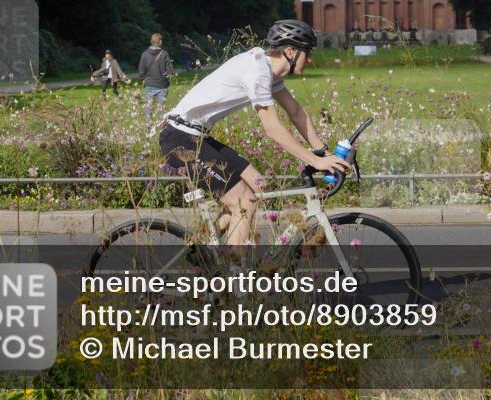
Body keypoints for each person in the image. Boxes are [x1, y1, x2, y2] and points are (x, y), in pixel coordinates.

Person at [158, 20, 350, 247]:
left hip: (196, 136)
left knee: (258, 185)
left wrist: (322, 151)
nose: (309, 59)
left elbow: (296, 112)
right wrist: (315, 161)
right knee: (244, 202)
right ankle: (235, 276)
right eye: (307, 53)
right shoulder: (257, 71)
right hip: (180, 139)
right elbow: (272, 129)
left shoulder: (269, 72)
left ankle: (198, 250)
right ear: (290, 51)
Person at [139, 33, 174, 116]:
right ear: (160, 42)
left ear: (151, 41)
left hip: (149, 84)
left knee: (148, 110)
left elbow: (141, 71)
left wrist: (144, 79)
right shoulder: (164, 54)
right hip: (162, 84)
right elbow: (169, 71)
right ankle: (161, 128)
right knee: (161, 111)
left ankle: (148, 128)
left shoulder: (144, 54)